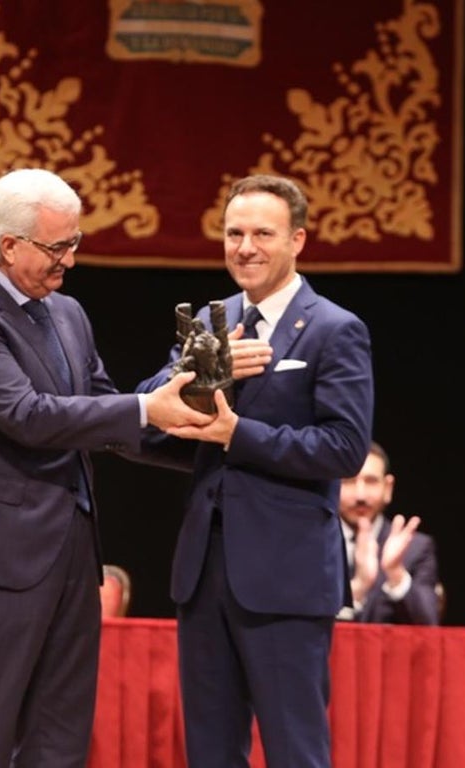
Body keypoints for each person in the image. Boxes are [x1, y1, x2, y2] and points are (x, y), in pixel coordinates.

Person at [0, 167, 213, 767]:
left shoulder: (66, 314)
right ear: (9, 244)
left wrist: (203, 441)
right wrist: (149, 405)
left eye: (74, 243)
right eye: (57, 246)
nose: (69, 260)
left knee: (60, 737)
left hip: (70, 549)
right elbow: (30, 416)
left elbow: (100, 414)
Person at [136, 173, 374, 767]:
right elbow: (145, 416)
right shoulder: (215, 326)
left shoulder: (333, 329)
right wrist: (187, 374)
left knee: (296, 752)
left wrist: (237, 434)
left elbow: (344, 448)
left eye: (262, 233)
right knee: (211, 755)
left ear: (297, 240)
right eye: (234, 232)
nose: (245, 247)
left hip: (285, 577)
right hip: (203, 572)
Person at [337, 442, 441, 625]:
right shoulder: (313, 546)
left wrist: (396, 573)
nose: (360, 495)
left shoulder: (416, 548)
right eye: (349, 481)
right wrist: (359, 588)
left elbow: (429, 624)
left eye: (371, 481)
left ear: (388, 488)